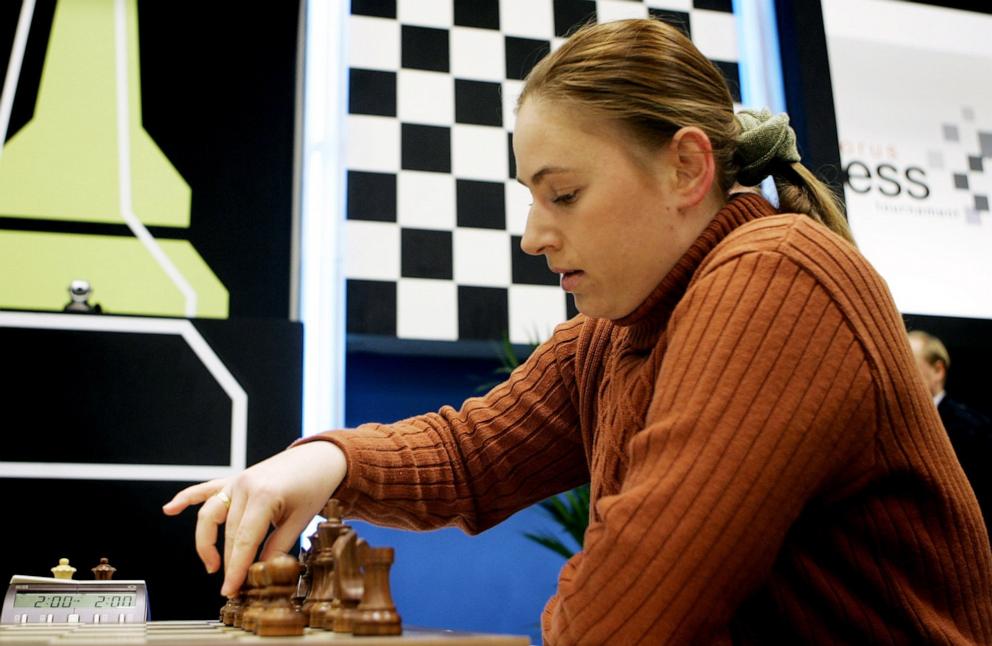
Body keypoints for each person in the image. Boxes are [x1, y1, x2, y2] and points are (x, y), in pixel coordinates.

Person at [164, 18, 992, 644]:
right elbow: (471, 454)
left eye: (562, 195)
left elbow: (634, 607)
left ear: (687, 168)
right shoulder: (624, 322)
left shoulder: (778, 277)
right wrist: (324, 460)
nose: (532, 234)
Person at [909, 329, 992, 540]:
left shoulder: (973, 428)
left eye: (909, 363)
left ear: (938, 370)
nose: (901, 373)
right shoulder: (890, 421)